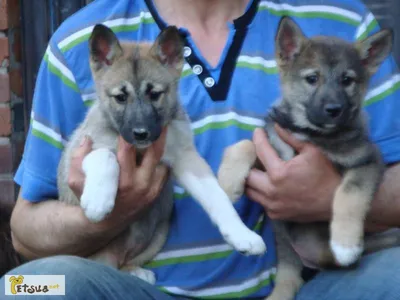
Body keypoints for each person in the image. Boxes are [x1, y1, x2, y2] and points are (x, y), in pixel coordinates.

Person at [2, 0, 400, 299]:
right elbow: (24, 232)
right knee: (21, 287)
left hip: (304, 287)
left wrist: (328, 198)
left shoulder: (338, 20)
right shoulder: (80, 39)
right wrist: (105, 216)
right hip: (136, 286)